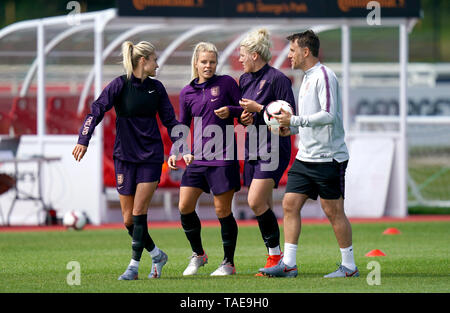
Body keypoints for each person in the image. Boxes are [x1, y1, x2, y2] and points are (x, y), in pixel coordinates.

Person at [72, 40, 182, 280]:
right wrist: (83, 138)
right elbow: (96, 111)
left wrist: (180, 145)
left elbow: (171, 121)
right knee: (128, 219)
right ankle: (156, 254)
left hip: (151, 157)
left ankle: (133, 266)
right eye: (154, 59)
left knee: (139, 211)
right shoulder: (119, 85)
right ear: (143, 61)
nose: (157, 64)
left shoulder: (157, 88)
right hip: (124, 157)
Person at [259, 30, 358, 278]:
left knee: (333, 211)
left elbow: (328, 115)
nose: (289, 55)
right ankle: (289, 264)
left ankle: (349, 267)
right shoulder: (306, 78)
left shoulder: (324, 76)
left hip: (329, 157)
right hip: (306, 156)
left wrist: (295, 120)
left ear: (305, 51)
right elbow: (306, 121)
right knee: (290, 204)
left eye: (292, 50)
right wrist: (289, 128)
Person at [168, 42, 242, 276]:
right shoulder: (187, 92)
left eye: (212, 62)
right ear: (196, 63)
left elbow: (245, 110)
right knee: (185, 206)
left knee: (222, 211)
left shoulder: (227, 83)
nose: (208, 66)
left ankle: (228, 263)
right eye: (204, 62)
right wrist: (178, 149)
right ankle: (198, 255)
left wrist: (231, 110)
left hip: (223, 157)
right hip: (198, 159)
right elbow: (183, 124)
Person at [237, 28, 296, 276]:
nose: (239, 59)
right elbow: (249, 119)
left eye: (242, 55)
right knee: (264, 203)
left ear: (254, 55)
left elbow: (289, 117)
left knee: (254, 201)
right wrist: (245, 118)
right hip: (253, 146)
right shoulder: (243, 80)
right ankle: (275, 261)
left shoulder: (278, 79)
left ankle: (276, 257)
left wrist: (259, 108)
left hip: (274, 148)